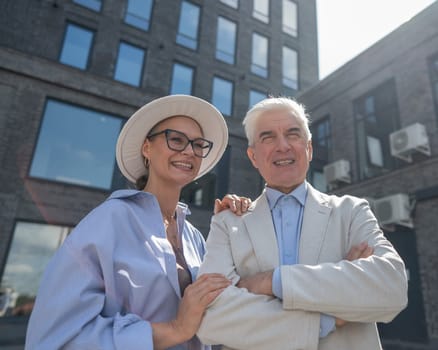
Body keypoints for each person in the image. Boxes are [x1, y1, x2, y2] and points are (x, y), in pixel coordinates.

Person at [25, 95, 250, 350]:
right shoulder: (108, 221)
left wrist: (229, 229)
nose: (189, 151)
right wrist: (176, 329)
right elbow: (55, 339)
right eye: (176, 139)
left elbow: (224, 308)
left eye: (198, 144)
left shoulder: (194, 236)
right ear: (146, 148)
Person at [196, 97, 408, 350]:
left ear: (309, 148)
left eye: (292, 134)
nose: (283, 146)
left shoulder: (351, 212)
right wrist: (331, 317)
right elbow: (212, 317)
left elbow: (391, 287)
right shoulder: (227, 222)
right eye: (268, 137)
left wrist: (271, 282)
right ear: (253, 156)